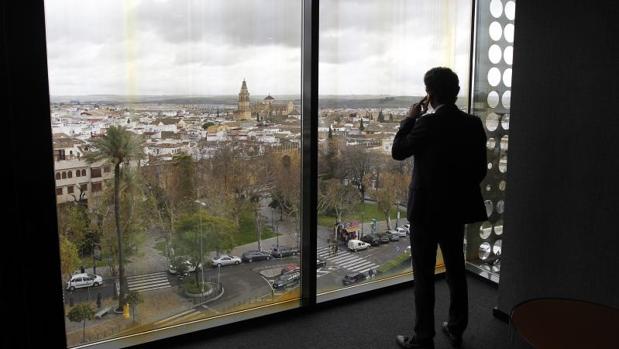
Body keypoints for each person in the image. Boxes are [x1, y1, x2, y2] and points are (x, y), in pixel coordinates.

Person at [391, 67, 487, 349]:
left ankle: (424, 338)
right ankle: (456, 328)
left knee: (423, 276)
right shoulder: (472, 123)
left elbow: (398, 151)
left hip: (425, 212)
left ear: (429, 94)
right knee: (456, 270)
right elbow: (479, 170)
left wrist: (409, 119)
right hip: (456, 210)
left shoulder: (427, 124)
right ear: (456, 93)